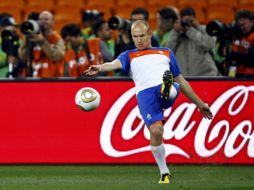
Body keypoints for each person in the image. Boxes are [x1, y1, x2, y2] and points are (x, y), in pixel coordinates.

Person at [84, 20, 213, 184]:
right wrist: (100, 68)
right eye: (135, 36)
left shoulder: (166, 52)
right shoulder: (128, 55)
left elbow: (183, 80)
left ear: (150, 34)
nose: (138, 40)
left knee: (174, 85)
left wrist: (200, 104)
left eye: (142, 36)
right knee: (157, 131)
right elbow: (114, 64)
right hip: (145, 96)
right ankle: (164, 173)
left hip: (162, 87)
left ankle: (166, 90)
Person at [166, 7, 218, 76]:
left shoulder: (205, 29)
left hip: (206, 76)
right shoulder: (177, 34)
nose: (187, 23)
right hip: (185, 79)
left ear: (195, 19)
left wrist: (191, 30)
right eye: (185, 20)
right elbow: (168, 51)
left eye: (190, 20)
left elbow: (209, 44)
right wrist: (175, 31)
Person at [18, 11, 65, 78]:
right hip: (32, 77)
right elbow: (23, 56)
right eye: (40, 19)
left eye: (46, 19)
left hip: (51, 79)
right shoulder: (31, 38)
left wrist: (43, 42)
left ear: (53, 22)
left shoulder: (56, 38)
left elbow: (57, 57)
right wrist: (26, 38)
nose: (43, 22)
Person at [226, 9, 254, 77]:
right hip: (236, 74)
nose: (242, 27)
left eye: (244, 24)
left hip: (251, 76)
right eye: (240, 25)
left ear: (252, 22)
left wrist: (236, 56)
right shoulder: (237, 36)